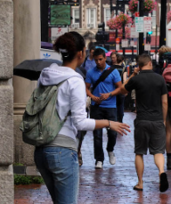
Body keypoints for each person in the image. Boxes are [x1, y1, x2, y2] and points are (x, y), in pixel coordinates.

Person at [34, 31, 130, 204]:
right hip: (62, 149)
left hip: (41, 149)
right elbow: (80, 122)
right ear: (80, 53)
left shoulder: (46, 75)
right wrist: (109, 123)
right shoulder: (75, 80)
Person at [107, 53, 169, 193]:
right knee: (158, 152)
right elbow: (164, 102)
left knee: (139, 152)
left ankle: (140, 183)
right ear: (150, 64)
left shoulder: (137, 79)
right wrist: (163, 119)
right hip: (157, 119)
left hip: (142, 120)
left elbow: (122, 89)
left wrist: (133, 74)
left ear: (139, 66)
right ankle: (161, 172)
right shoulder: (160, 79)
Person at [86, 48, 123, 169]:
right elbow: (86, 88)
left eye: (100, 59)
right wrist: (92, 97)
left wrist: (109, 94)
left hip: (111, 107)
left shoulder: (113, 72)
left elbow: (120, 88)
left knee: (112, 133)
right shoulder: (91, 72)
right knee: (97, 135)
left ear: (104, 58)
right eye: (96, 60)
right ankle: (99, 159)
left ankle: (110, 149)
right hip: (96, 107)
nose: (98, 62)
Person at [110, 51, 127, 123]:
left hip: (112, 89)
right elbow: (124, 80)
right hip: (120, 89)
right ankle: (120, 120)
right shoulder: (123, 69)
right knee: (121, 105)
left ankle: (113, 120)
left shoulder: (110, 68)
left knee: (113, 105)